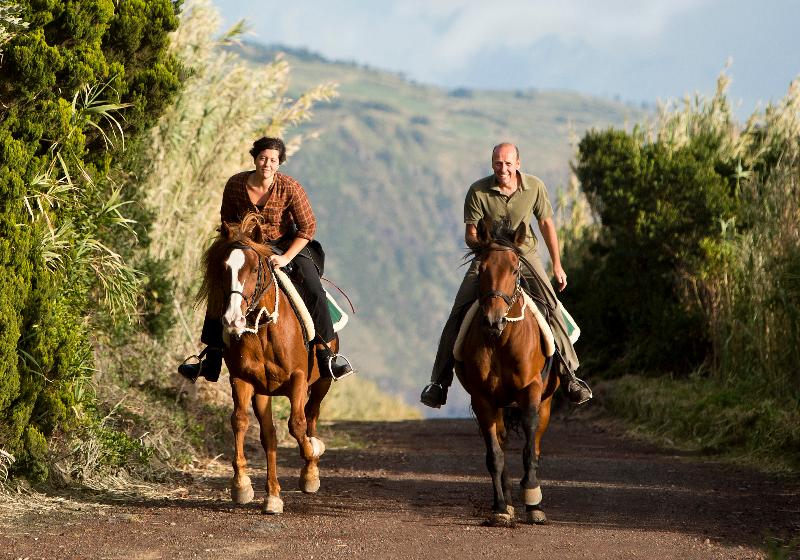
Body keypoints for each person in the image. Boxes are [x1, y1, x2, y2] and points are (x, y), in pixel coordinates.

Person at [420, 142, 592, 408]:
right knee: (459, 310)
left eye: (508, 163)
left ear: (518, 164)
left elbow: (546, 224)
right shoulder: (478, 191)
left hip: (526, 256)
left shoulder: (534, 186)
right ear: (492, 164)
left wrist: (557, 264)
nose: (503, 168)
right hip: (489, 256)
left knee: (552, 307)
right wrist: (486, 249)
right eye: (498, 163)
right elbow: (470, 233)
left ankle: (570, 375)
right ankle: (439, 382)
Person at [178, 136, 353, 382]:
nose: (267, 164)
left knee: (312, 287)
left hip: (286, 245)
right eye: (262, 158)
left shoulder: (290, 187)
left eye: (272, 160)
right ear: (255, 159)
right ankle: (212, 356)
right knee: (222, 287)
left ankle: (326, 355)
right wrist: (236, 244)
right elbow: (227, 221)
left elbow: (307, 227)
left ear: (279, 163)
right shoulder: (236, 184)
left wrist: (286, 258)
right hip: (247, 245)